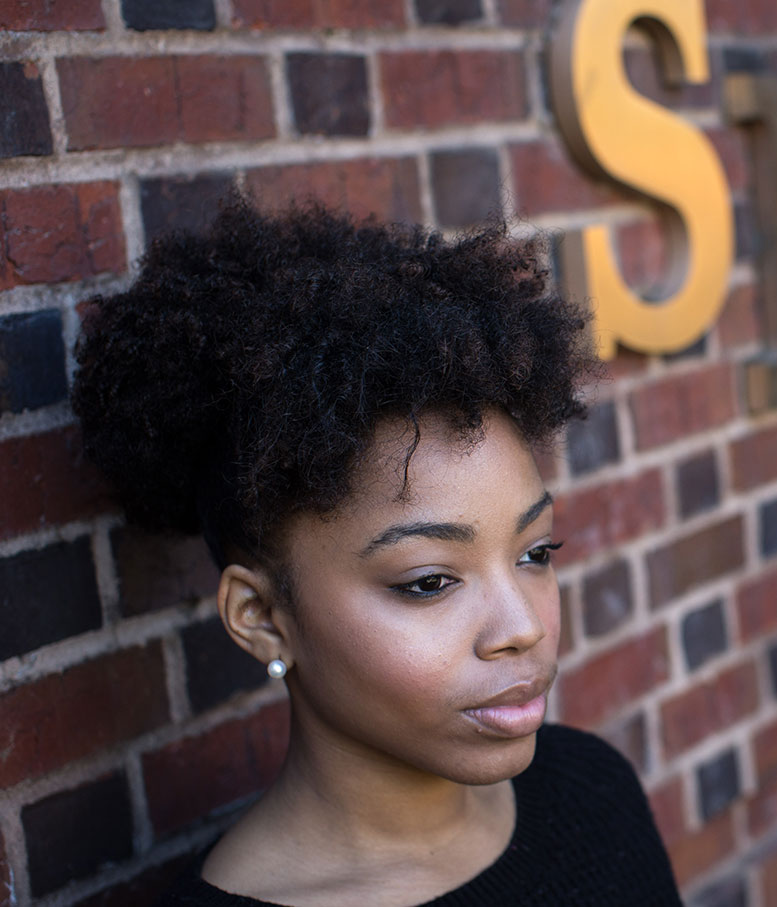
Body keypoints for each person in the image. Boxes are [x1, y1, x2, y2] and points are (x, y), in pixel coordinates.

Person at [70, 197, 682, 906]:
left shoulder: (591, 793)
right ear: (263, 615)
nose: (523, 627)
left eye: (535, 552)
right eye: (428, 582)